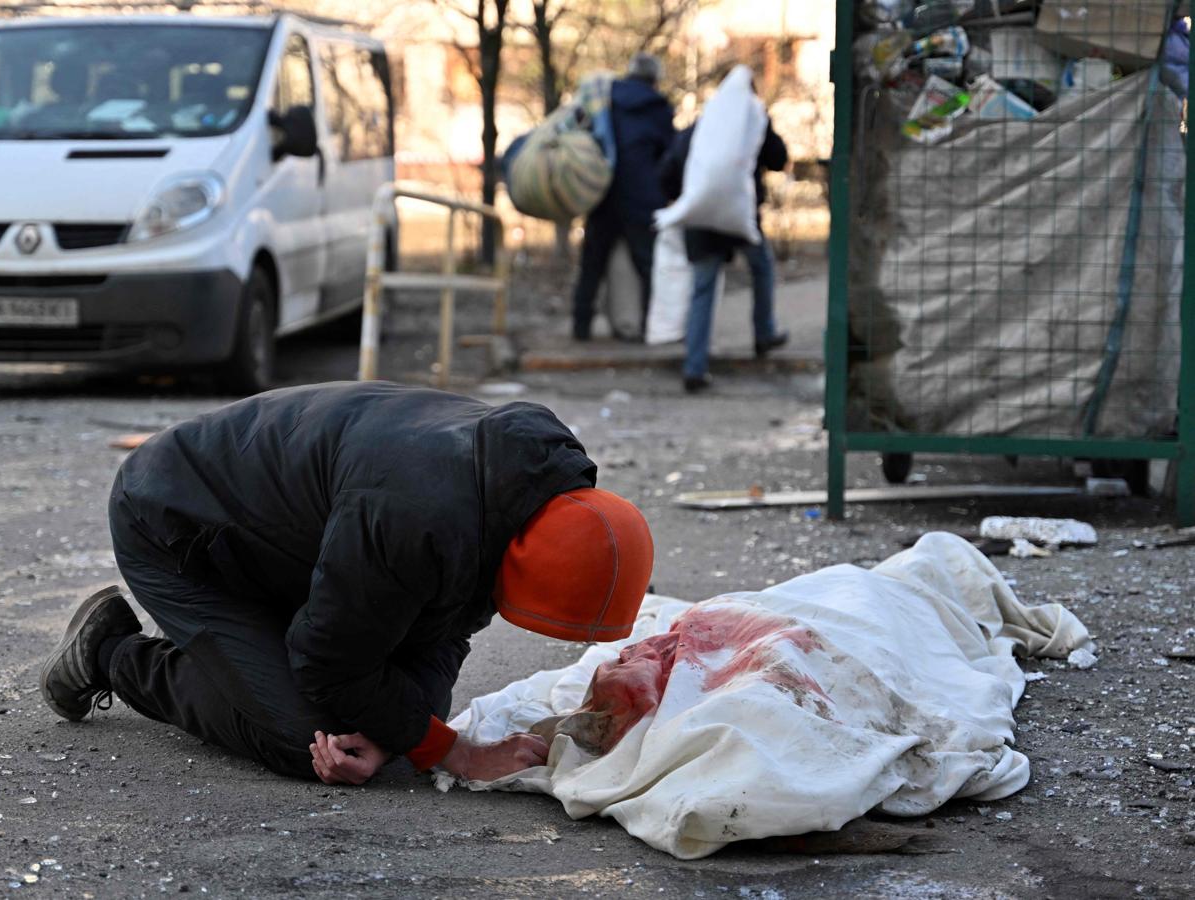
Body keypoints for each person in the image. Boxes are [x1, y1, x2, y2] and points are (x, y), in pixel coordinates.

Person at [40, 382, 655, 786]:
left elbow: (445, 632)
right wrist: (450, 751)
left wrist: (412, 736)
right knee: (303, 737)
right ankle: (110, 653)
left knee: (401, 715)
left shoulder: (523, 495)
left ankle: (260, 654)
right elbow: (328, 663)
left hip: (296, 542)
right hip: (176, 524)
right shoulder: (415, 517)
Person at [659, 111, 790, 393]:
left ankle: (694, 368)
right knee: (762, 268)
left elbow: (665, 175)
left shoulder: (693, 131)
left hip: (700, 224)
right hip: (739, 217)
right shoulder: (749, 123)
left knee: (702, 291)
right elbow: (778, 159)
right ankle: (764, 332)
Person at [570, 53, 675, 342]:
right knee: (649, 267)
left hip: (603, 192)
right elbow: (669, 153)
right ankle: (650, 329)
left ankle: (580, 328)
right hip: (642, 196)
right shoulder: (659, 108)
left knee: (592, 265)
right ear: (654, 79)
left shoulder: (605, 99)